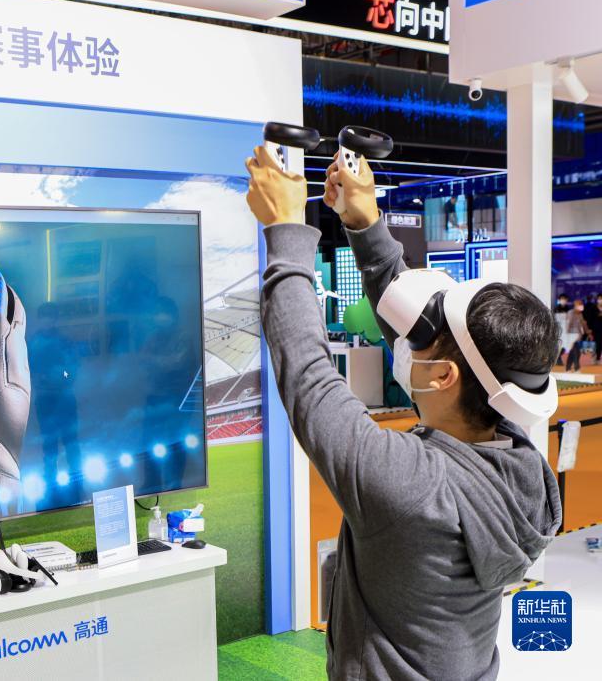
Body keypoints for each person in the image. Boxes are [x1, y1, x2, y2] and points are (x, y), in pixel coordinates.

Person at [244, 146, 561, 680]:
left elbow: (307, 374)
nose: (411, 338)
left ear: (442, 378)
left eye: (425, 337)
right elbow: (415, 323)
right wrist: (365, 222)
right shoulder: (522, 463)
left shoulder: (408, 482)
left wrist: (286, 230)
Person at [564, 299, 590, 372]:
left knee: (573, 353)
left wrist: (588, 331)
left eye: (581, 304)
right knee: (576, 352)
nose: (581, 306)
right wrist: (567, 337)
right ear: (575, 306)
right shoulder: (570, 313)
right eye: (579, 305)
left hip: (578, 337)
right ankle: (577, 368)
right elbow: (567, 326)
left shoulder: (580, 314)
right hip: (571, 337)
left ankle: (568, 368)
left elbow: (583, 324)